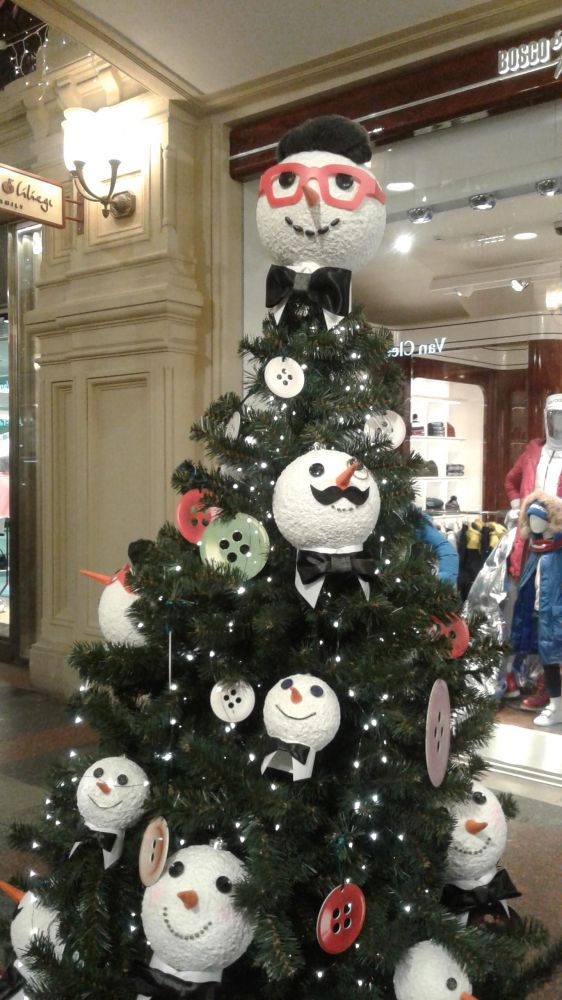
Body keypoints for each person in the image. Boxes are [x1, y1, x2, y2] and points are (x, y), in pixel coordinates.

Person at [502, 393, 562, 704]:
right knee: (528, 609)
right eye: (554, 417)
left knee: (554, 613)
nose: (558, 423)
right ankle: (536, 680)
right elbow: (511, 481)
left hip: (558, 544)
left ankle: (552, 690)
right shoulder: (533, 452)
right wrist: (517, 506)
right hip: (529, 544)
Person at [510, 493, 562, 727]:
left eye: (538, 518)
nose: (533, 523)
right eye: (530, 518)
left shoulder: (558, 552)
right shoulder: (536, 550)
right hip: (542, 614)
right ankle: (556, 706)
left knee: (554, 659)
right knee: (548, 661)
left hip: (557, 615)